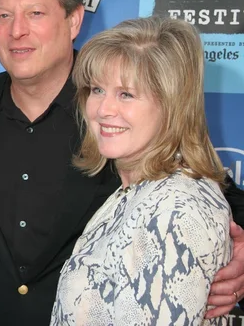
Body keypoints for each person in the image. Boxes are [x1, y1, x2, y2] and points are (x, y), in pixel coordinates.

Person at [0, 0, 244, 325]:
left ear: (73, 20)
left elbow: (203, 189)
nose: (16, 30)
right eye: (4, 16)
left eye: (35, 14)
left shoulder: (119, 108)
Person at [51, 16, 231, 324]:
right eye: (97, 89)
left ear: (171, 105)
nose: (103, 109)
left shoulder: (175, 211)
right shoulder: (134, 191)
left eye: (126, 94)